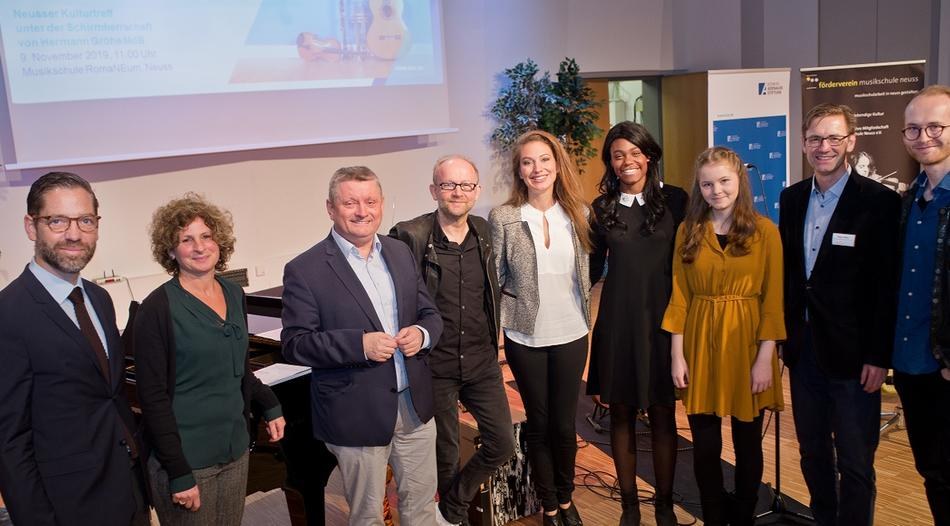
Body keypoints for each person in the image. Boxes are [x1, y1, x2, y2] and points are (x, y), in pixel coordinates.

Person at [281, 166, 443, 526]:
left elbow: (430, 313)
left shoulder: (400, 252)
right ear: (330, 208)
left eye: (370, 201)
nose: (362, 211)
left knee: (421, 510)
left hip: (414, 406)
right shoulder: (305, 269)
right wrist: (359, 345)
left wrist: (422, 333)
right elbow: (295, 344)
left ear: (382, 204)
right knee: (367, 517)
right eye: (350, 202)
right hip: (356, 412)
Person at [0, 172, 150, 526]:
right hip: (68, 506)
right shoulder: (8, 314)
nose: (73, 234)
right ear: (30, 226)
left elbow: (108, 397)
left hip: (127, 488)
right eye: (57, 220)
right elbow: (9, 441)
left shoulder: (98, 298)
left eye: (85, 220)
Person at [779, 103, 901, 526]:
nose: (824, 146)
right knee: (812, 451)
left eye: (833, 138)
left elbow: (886, 287)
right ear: (804, 144)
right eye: (815, 138)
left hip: (855, 356)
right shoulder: (791, 198)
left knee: (854, 459)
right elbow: (792, 276)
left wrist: (878, 355)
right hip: (803, 350)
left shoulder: (880, 202)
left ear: (851, 141)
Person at [133, 193, 285, 525]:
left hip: (234, 449)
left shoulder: (234, 294)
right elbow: (153, 398)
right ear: (171, 250)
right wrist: (178, 471)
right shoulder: (156, 308)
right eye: (186, 239)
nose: (200, 246)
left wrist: (269, 404)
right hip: (187, 459)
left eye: (206, 236)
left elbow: (238, 368)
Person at [661, 147, 785, 526]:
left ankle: (744, 514)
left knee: (748, 442)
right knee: (705, 444)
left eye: (724, 181)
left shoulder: (766, 232)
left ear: (739, 182)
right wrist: (676, 355)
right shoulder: (688, 230)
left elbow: (772, 299)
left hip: (748, 343)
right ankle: (714, 515)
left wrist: (766, 358)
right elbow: (680, 295)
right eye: (707, 183)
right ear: (699, 188)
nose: (717, 190)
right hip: (699, 339)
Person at [389, 155, 515, 526]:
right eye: (448, 185)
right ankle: (453, 518)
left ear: (476, 191)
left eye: (466, 185)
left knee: (502, 443)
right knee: (444, 455)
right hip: (434, 364)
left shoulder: (485, 233)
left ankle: (453, 506)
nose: (457, 192)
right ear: (434, 190)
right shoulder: (410, 235)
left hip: (481, 361)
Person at [489, 129, 592, 526]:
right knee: (539, 423)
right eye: (528, 161)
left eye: (544, 160)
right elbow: (496, 279)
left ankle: (567, 499)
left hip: (572, 332)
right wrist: (495, 336)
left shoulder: (579, 212)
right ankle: (549, 506)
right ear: (519, 169)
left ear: (557, 164)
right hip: (524, 336)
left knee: (565, 426)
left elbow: (588, 272)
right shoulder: (504, 217)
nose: (537, 168)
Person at [587, 122, 687, 526]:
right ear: (610, 163)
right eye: (617, 155)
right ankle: (630, 506)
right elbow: (591, 269)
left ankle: (664, 504)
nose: (627, 161)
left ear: (649, 156)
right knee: (622, 414)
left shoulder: (677, 201)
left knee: (663, 415)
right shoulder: (601, 208)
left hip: (665, 322)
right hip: (618, 322)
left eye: (634, 152)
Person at [892, 84, 950, 525]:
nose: (923, 136)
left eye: (935, 126)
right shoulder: (909, 201)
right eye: (914, 128)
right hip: (914, 363)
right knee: (933, 471)